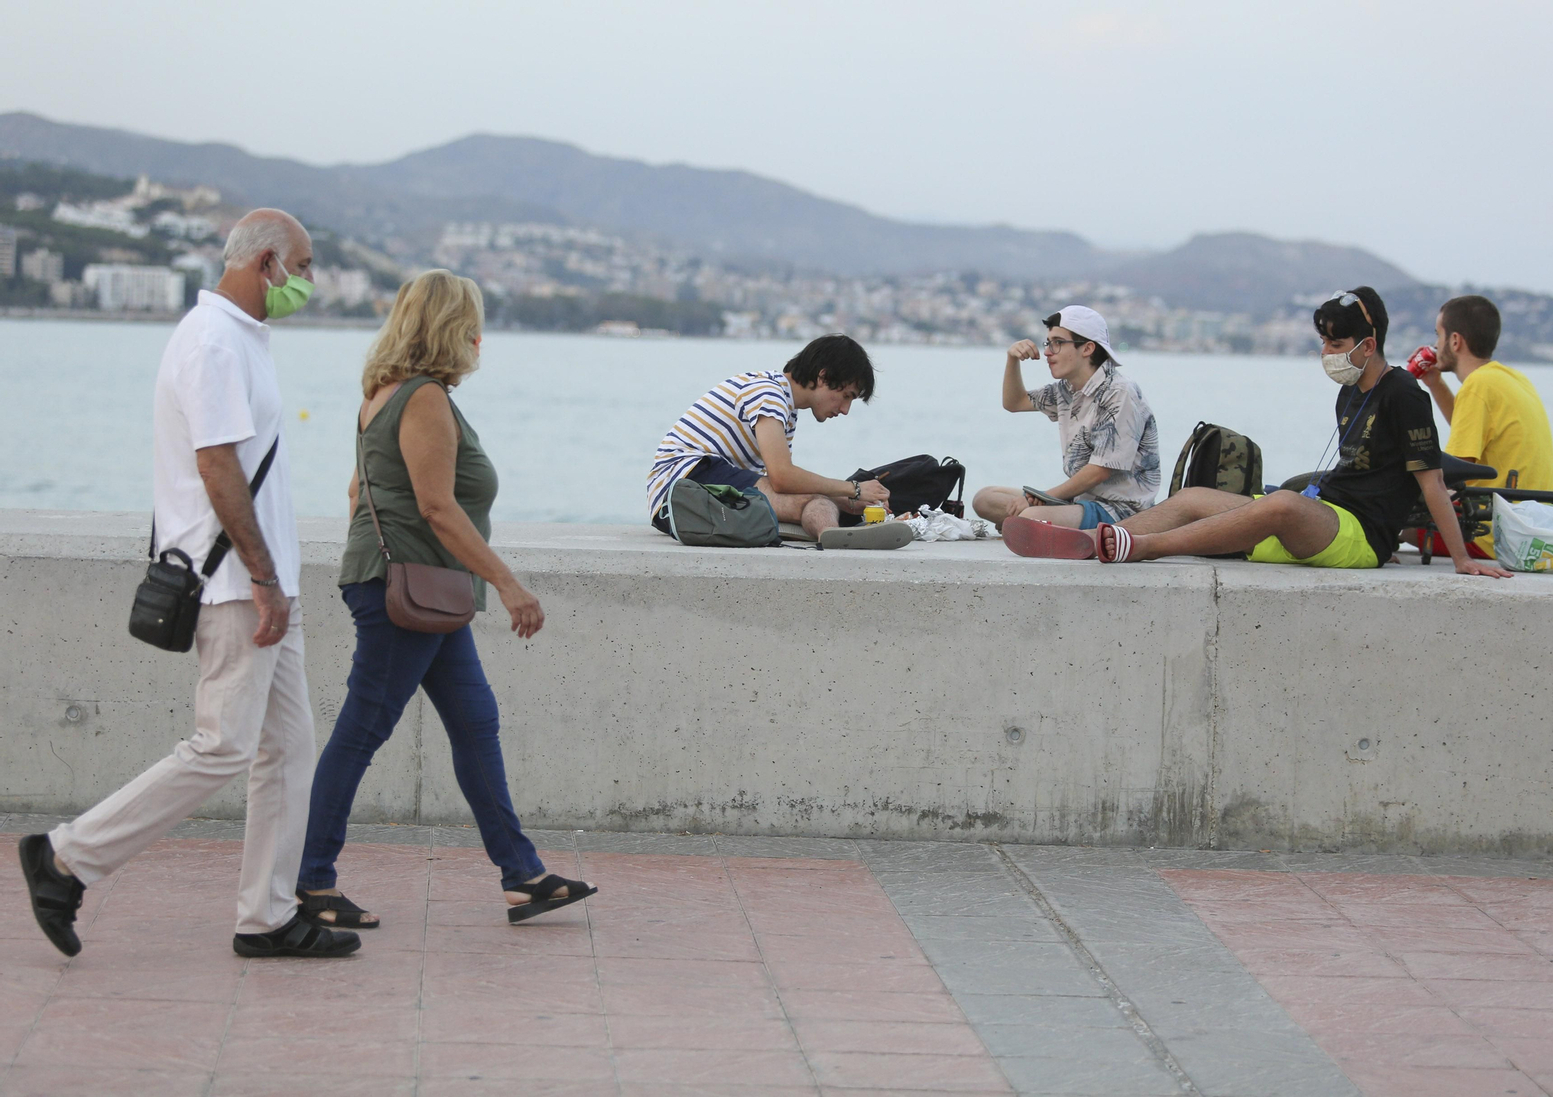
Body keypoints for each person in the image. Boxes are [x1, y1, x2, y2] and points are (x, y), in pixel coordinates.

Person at [17, 209, 360, 958]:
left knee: (288, 749)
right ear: (266, 260)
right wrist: (265, 576)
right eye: (301, 268)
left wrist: (280, 579)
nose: (306, 283)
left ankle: (266, 915)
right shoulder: (212, 342)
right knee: (222, 746)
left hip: (267, 581)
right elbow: (216, 466)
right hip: (238, 582)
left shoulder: (241, 340)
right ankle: (66, 856)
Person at [295, 269, 595, 930]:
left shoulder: (382, 393)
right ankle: (311, 880)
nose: (478, 338)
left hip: (420, 590)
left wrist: (374, 564)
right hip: (409, 592)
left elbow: (356, 494)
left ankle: (524, 875)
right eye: (471, 325)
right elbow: (437, 506)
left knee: (475, 720)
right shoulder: (424, 398)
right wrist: (509, 585)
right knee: (362, 729)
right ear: (448, 329)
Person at [1003, 287, 1513, 578]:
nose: (1328, 351)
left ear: (1369, 342)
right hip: (1328, 517)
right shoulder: (1350, 391)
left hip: (1362, 538)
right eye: (1324, 341)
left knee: (1283, 505)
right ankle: (1090, 540)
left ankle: (1138, 548)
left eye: (1337, 342)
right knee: (1198, 496)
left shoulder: (1406, 394)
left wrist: (1463, 559)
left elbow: (1429, 481)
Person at [646, 334, 910, 548]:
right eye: (847, 396)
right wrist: (853, 489)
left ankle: (833, 535)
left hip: (689, 492)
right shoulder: (769, 394)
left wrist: (848, 501)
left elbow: (783, 485)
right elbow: (782, 476)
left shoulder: (785, 407)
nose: (844, 410)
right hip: (686, 483)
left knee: (815, 500)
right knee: (811, 501)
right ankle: (834, 537)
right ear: (823, 377)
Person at [974, 306, 1160, 536]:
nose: (1048, 352)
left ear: (1088, 348)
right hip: (1078, 502)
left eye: (1057, 343)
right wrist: (1012, 359)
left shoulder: (1119, 392)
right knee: (984, 499)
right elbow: (1015, 402)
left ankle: (1043, 529)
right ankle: (1040, 528)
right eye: (1048, 343)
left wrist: (1041, 499)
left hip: (1120, 512)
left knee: (1030, 515)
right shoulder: (1068, 389)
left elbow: (1099, 471)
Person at [1412, 294, 1553, 557]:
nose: (1435, 345)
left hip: (1490, 535)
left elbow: (1451, 473)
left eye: (1438, 335)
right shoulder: (1512, 379)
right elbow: (1470, 430)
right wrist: (1434, 383)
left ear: (1455, 341)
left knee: (1391, 519)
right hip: (1530, 525)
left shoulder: (1477, 386)